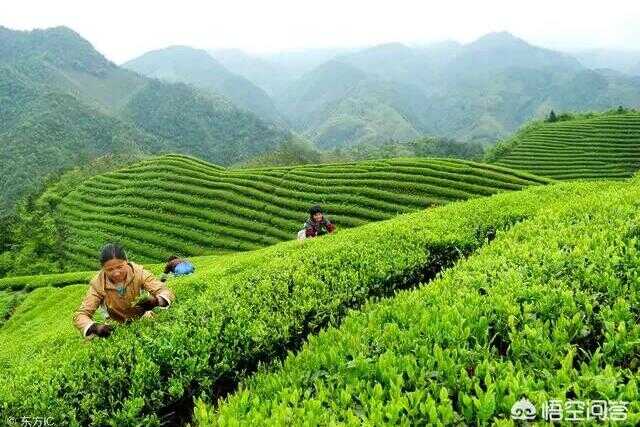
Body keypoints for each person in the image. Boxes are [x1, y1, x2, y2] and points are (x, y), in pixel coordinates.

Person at [73, 243, 175, 338]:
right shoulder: (98, 284)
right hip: (116, 324)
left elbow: (164, 291)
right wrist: (94, 328)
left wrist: (156, 301)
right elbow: (81, 315)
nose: (116, 273)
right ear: (103, 268)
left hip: (143, 317)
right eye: (110, 270)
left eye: (120, 267)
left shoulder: (139, 273)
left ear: (126, 262)